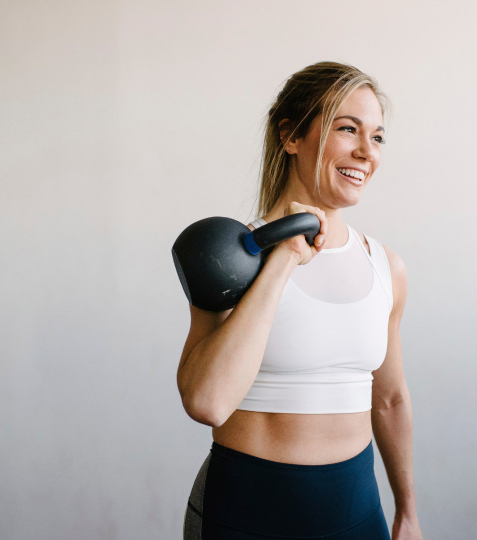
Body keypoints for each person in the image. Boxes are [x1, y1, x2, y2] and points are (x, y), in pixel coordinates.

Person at [178, 61, 422, 540]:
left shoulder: (386, 267)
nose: (365, 151)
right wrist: (285, 256)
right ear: (291, 136)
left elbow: (390, 400)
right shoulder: (233, 257)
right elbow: (207, 401)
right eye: (347, 128)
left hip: (357, 511)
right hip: (245, 515)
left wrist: (407, 511)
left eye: (377, 137)